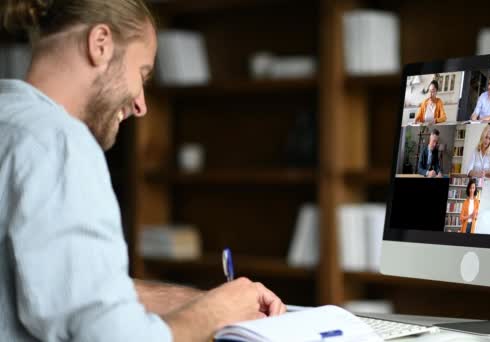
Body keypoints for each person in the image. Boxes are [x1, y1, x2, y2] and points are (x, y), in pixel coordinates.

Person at [0, 1, 285, 342]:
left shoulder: (13, 123)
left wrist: (200, 301)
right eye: (143, 73)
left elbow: (60, 281)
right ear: (100, 44)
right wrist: (213, 315)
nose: (141, 104)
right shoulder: (61, 143)